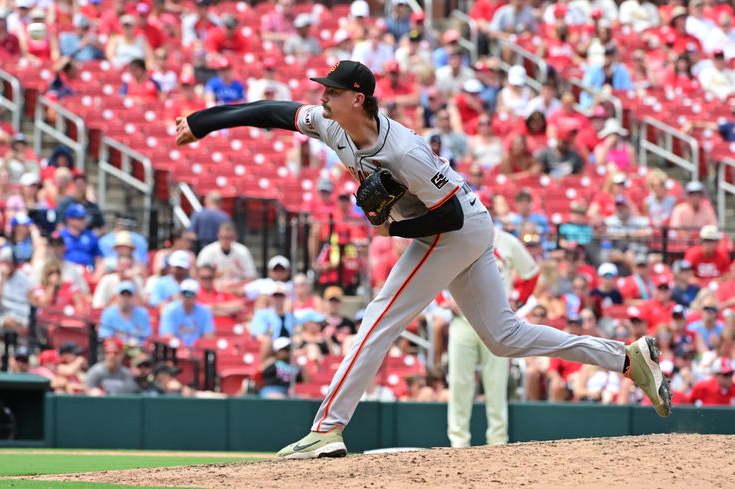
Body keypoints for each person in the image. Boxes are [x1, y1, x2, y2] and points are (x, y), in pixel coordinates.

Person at [174, 59, 671, 460]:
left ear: (358, 98)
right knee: (503, 337)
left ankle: (327, 429)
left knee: (380, 317)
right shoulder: (330, 124)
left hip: (453, 225)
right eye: (323, 89)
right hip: (463, 224)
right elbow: (274, 112)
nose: (322, 96)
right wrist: (203, 123)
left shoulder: (404, 150)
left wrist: (393, 229)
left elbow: (449, 215)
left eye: (331, 89)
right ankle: (627, 359)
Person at [448, 228, 539, 448]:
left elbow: (531, 273)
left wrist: (516, 300)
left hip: (495, 321)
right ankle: (458, 442)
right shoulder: (456, 237)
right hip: (463, 319)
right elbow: (437, 271)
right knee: (459, 383)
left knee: (496, 383)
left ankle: (497, 442)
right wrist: (444, 298)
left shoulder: (507, 242)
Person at [0, 246, 34, 334]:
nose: (9, 265)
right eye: (5, 262)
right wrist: (3, 278)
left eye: (11, 262)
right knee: (9, 322)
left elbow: (32, 300)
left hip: (24, 315)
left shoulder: (24, 278)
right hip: (5, 315)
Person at [159, 279, 215, 347]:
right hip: (175, 351)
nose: (187, 297)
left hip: (197, 351)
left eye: (191, 294)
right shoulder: (170, 311)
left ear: (196, 295)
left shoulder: (204, 312)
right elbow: (167, 337)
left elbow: (209, 338)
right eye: (185, 293)